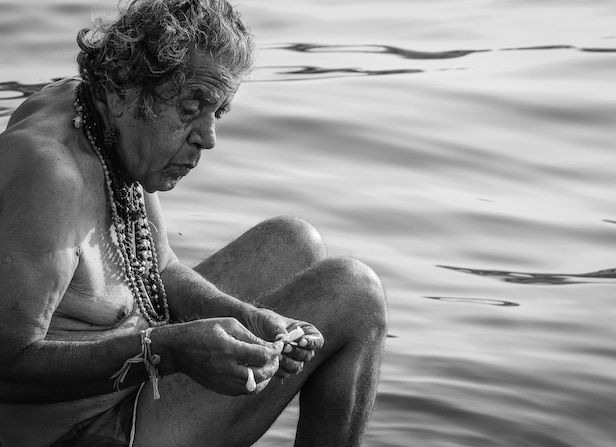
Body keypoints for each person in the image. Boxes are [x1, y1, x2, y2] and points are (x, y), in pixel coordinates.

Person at [0, 0, 388, 446]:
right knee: (356, 294)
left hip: (138, 386)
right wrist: (171, 350)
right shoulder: (50, 173)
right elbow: (6, 364)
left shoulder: (102, 120)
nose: (208, 136)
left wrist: (249, 316)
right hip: (85, 431)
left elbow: (158, 269)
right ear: (127, 87)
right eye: (191, 106)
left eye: (216, 111)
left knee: (296, 241)